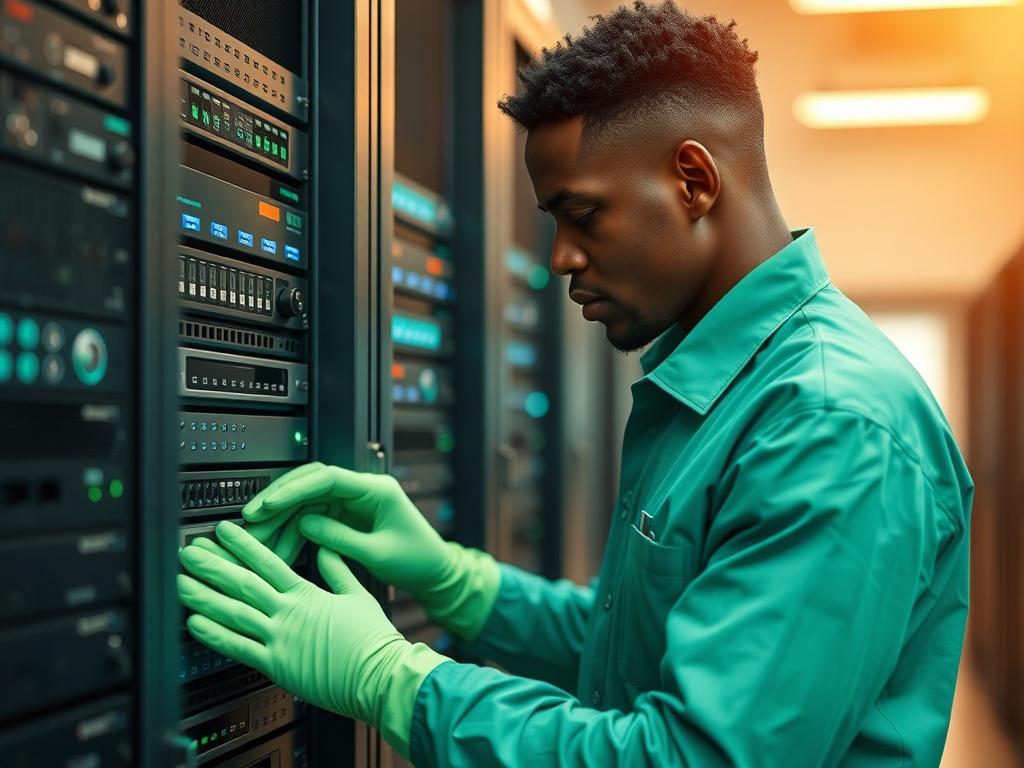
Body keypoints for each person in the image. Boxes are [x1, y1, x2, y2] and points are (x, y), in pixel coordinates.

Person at [177, 2, 973, 765]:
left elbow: (693, 757)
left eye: (582, 216)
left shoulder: (829, 425)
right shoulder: (721, 391)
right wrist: (458, 584)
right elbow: (633, 651)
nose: (559, 258)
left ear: (693, 181)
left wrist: (398, 682)